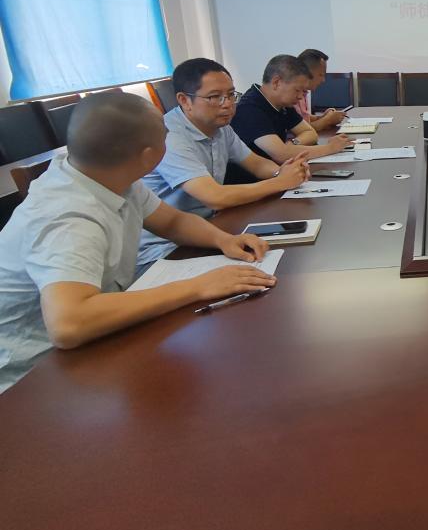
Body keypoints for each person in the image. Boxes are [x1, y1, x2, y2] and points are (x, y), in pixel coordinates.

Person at [0, 92, 277, 394]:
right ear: (148, 156)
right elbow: (69, 324)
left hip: (95, 335)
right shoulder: (67, 215)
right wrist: (198, 286)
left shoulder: (109, 175)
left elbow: (172, 222)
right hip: (32, 375)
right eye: (164, 137)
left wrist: (224, 239)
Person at [137, 58, 312, 269]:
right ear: (184, 100)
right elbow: (215, 197)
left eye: (230, 95)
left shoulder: (221, 128)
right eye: (215, 97)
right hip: (166, 250)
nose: (227, 104)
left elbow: (256, 164)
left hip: (211, 229)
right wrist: (280, 182)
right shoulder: (170, 136)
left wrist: (286, 172)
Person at [231, 54, 353, 164]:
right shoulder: (249, 109)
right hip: (254, 179)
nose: (301, 97)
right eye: (297, 90)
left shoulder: (282, 103)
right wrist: (330, 148)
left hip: (278, 172)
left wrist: (292, 144)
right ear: (276, 82)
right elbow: (281, 155)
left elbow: (310, 133)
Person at [296, 48, 348, 131]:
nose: (323, 80)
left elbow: (303, 119)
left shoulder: (303, 92)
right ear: (306, 72)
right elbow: (303, 129)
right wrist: (328, 120)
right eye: (321, 75)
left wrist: (322, 117)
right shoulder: (292, 95)